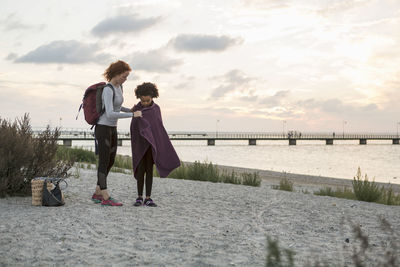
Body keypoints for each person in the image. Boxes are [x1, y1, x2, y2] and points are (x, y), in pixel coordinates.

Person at [91, 60, 142, 206]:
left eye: (127, 77)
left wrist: (129, 111)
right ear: (116, 73)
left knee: (111, 160)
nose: (125, 79)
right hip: (103, 128)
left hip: (113, 128)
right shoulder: (108, 89)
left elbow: (117, 107)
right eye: (124, 76)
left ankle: (97, 192)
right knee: (104, 161)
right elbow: (110, 113)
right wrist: (132, 116)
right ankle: (106, 197)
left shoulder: (119, 87)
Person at [130, 82, 180, 207]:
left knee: (149, 170)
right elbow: (133, 127)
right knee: (140, 170)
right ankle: (139, 197)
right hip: (140, 144)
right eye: (143, 100)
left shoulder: (156, 109)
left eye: (147, 100)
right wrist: (141, 124)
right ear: (139, 97)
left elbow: (158, 128)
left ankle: (148, 198)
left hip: (151, 146)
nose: (145, 103)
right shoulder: (137, 109)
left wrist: (156, 140)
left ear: (152, 96)